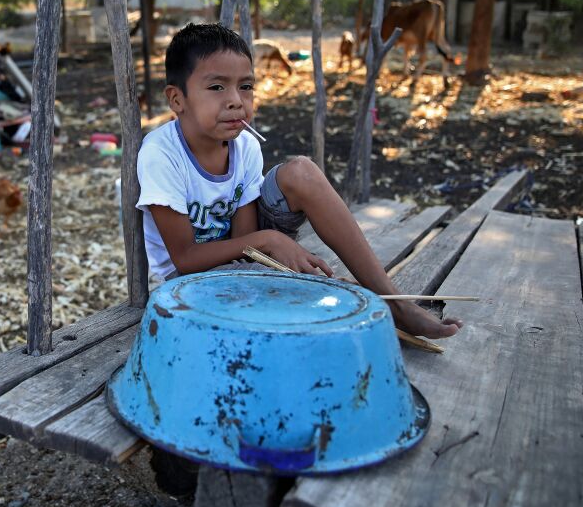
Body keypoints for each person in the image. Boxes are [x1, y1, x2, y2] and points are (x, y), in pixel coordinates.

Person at [137, 23, 460, 339]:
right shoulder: (162, 154)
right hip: (189, 283)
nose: (236, 100)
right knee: (328, 299)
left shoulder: (245, 144)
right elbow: (185, 259)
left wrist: (264, 246)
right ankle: (343, 295)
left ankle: (394, 302)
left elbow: (246, 239)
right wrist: (269, 244)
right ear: (177, 100)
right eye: (217, 87)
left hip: (242, 257)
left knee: (301, 171)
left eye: (246, 86)